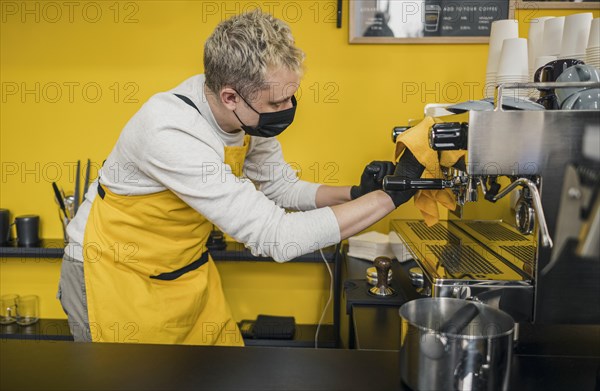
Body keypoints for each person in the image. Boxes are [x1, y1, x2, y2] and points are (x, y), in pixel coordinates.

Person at [57, 10, 424, 346]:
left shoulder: (247, 117)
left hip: (186, 271)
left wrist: (356, 192)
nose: (287, 110)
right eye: (276, 104)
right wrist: (390, 198)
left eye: (291, 97)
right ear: (230, 96)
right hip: (114, 274)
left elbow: (280, 187)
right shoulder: (170, 130)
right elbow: (276, 237)